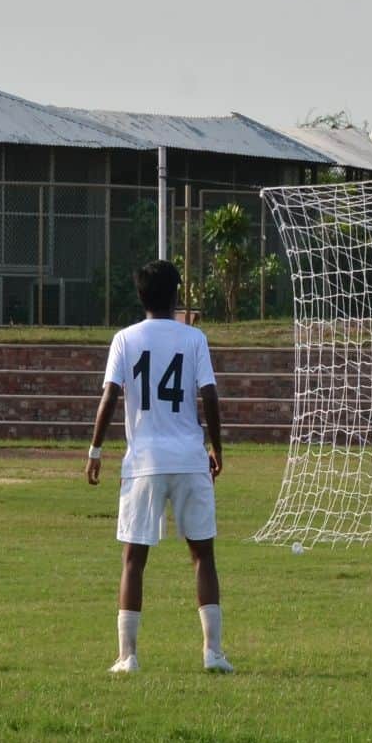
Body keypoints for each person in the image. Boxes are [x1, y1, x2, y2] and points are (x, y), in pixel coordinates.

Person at [85, 260, 232, 674]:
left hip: (144, 461)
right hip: (188, 457)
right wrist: (216, 448)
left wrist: (95, 450)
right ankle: (213, 653)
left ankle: (127, 656)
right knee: (203, 555)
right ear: (176, 295)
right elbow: (210, 396)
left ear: (140, 295)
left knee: (134, 558)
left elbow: (110, 396)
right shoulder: (194, 338)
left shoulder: (124, 339)